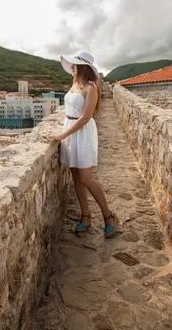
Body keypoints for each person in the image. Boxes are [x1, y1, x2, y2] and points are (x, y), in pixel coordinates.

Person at [49, 52, 118, 238]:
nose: (71, 68)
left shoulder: (91, 88)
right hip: (70, 127)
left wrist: (62, 135)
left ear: (83, 67)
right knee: (76, 178)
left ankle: (108, 216)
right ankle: (85, 216)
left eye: (74, 65)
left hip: (82, 132)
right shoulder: (74, 85)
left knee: (87, 179)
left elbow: (86, 117)